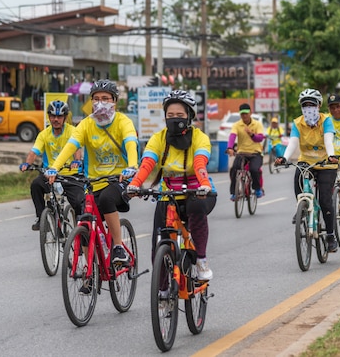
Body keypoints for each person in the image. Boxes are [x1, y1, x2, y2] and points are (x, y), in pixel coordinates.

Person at [47, 80, 139, 265]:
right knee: (84, 219)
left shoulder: (123, 122)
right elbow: (70, 146)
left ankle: (119, 247)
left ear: (114, 101)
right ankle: (90, 271)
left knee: (107, 199)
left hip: (120, 178)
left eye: (105, 98)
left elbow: (131, 143)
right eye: (96, 99)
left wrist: (132, 166)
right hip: (94, 181)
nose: (100, 102)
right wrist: (55, 167)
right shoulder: (86, 124)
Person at [127, 91, 217, 280]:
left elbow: (200, 163)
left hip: (197, 192)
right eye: (170, 116)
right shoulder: (158, 138)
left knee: (196, 207)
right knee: (158, 242)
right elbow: (147, 164)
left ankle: (201, 260)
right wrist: (135, 184)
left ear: (190, 116)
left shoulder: (200, 138)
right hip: (169, 195)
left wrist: (205, 184)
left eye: (180, 116)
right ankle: (162, 293)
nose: (174, 120)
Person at [274, 89, 340, 252]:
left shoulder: (326, 121)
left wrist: (332, 155)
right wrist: (285, 158)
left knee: (325, 200)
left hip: (326, 162)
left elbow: (328, 140)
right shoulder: (298, 123)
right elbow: (293, 143)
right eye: (305, 105)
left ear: (319, 106)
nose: (308, 108)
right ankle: (302, 208)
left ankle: (331, 236)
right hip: (307, 161)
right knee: (298, 179)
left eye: (312, 104)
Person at [20, 100, 84, 230]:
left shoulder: (72, 131)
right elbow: (34, 152)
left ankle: (80, 228)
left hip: (69, 175)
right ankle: (42, 219)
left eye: (59, 116)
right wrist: (27, 163)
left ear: (65, 117)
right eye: (53, 116)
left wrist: (76, 161)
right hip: (50, 174)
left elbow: (77, 150)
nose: (56, 119)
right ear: (48, 117)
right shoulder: (44, 134)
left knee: (78, 202)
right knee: (36, 185)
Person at [227, 103, 265, 200]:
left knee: (254, 170)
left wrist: (251, 134)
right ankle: (234, 193)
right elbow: (232, 136)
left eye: (246, 113)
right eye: (242, 114)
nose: (244, 116)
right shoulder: (237, 125)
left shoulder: (257, 124)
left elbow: (260, 138)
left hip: (255, 153)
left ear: (250, 113)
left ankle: (257, 189)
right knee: (234, 169)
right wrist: (230, 148)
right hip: (242, 153)